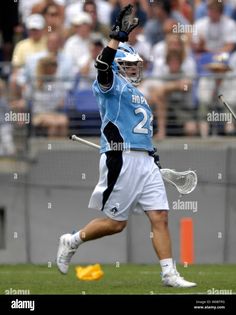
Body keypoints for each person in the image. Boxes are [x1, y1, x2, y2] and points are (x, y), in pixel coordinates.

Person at [56, 4, 196, 288]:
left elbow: (140, 129)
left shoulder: (138, 94)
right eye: (128, 65)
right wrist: (115, 39)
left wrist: (151, 154)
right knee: (116, 223)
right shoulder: (109, 85)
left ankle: (169, 274)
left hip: (144, 160)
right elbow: (103, 66)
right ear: (119, 66)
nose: (133, 69)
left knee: (160, 216)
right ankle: (72, 239)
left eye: (135, 65)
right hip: (121, 158)